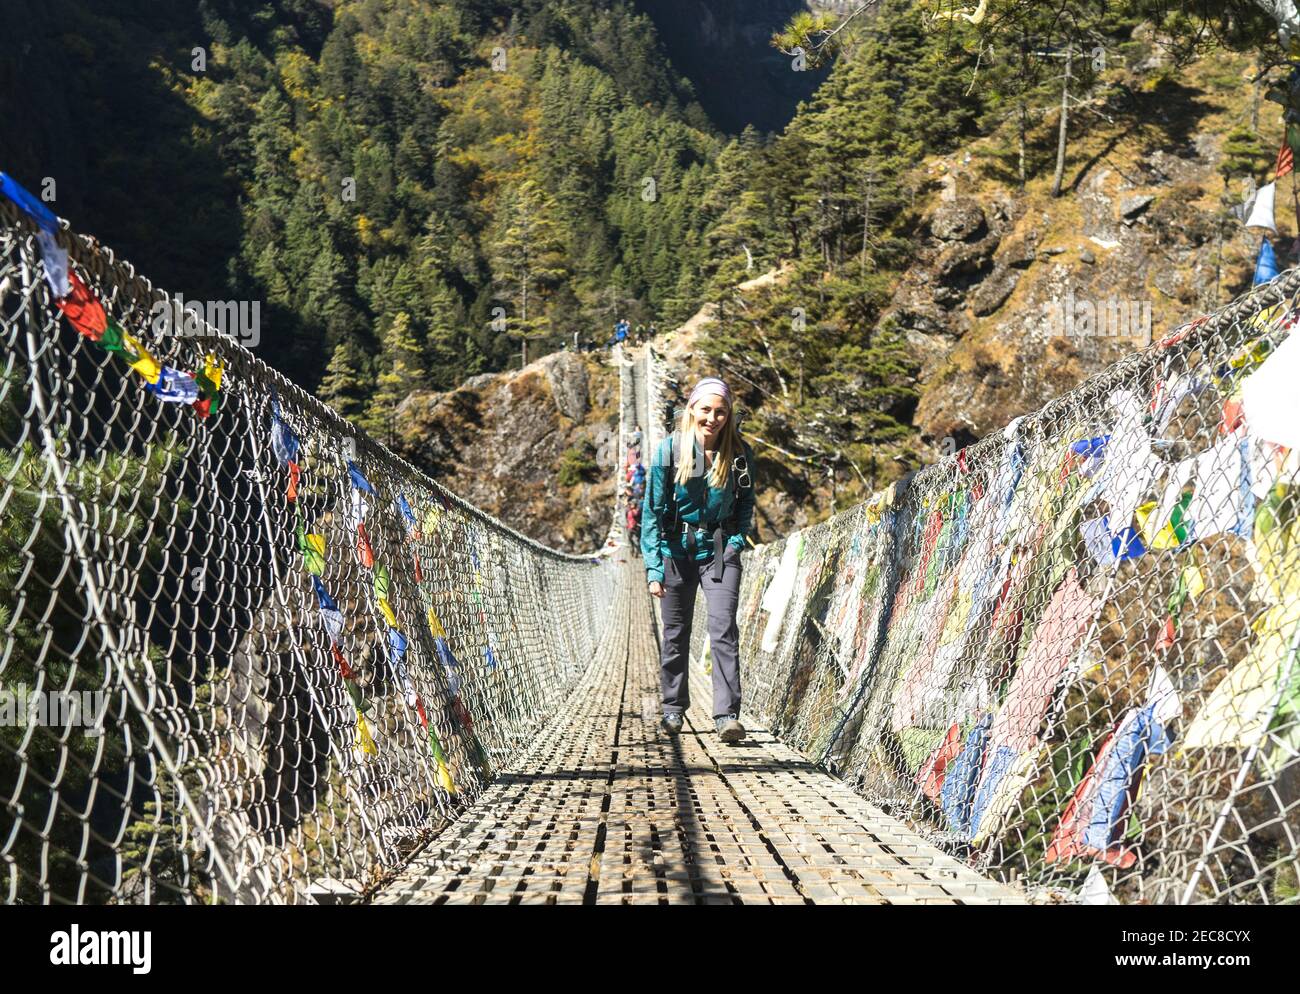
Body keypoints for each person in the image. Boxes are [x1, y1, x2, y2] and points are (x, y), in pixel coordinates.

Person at [641, 376, 756, 742]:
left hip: (721, 551)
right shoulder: (668, 451)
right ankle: (673, 709)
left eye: (720, 411)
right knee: (675, 634)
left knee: (723, 627)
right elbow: (652, 513)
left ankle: (727, 715)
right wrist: (654, 568)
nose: (713, 418)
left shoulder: (738, 454)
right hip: (676, 551)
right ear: (692, 410)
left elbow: (745, 504)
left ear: (729, 414)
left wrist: (737, 541)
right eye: (706, 409)